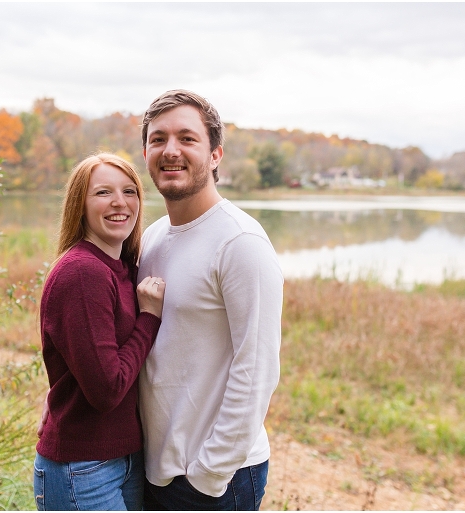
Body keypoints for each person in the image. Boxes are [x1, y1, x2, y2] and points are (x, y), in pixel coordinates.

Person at [137, 89, 283, 510]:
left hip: (215, 479)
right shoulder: (153, 236)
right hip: (157, 467)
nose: (171, 151)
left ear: (216, 154)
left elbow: (256, 370)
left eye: (187, 138)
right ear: (146, 152)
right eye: (158, 139)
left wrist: (210, 473)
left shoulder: (240, 242)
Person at [34, 153, 166, 511]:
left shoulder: (121, 267)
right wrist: (149, 318)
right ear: (80, 204)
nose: (119, 202)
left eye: (129, 191)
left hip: (123, 458)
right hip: (83, 469)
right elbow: (106, 389)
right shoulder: (83, 273)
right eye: (103, 192)